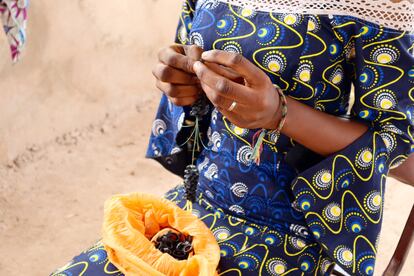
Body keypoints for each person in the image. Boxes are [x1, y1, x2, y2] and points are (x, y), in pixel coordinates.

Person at [52, 0, 414, 275]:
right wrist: (178, 78)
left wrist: (280, 114)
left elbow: (402, 149)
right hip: (193, 213)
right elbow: (187, 55)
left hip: (295, 234)